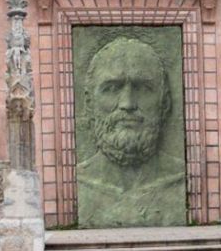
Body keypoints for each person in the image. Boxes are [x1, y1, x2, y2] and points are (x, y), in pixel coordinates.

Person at [77, 37, 185, 228]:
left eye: (143, 88)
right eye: (111, 89)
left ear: (165, 102)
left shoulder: (179, 178)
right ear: (89, 103)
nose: (127, 103)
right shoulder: (78, 183)